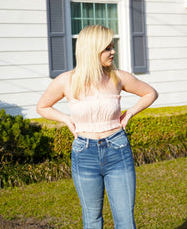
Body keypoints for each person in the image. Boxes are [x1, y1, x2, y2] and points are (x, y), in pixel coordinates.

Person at [37, 25, 158, 229]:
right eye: (107, 48)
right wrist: (66, 119)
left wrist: (129, 114)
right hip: (84, 153)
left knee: (125, 221)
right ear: (92, 49)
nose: (113, 51)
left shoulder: (118, 77)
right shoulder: (66, 80)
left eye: (112, 46)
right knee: (92, 220)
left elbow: (150, 93)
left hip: (117, 150)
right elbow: (42, 107)